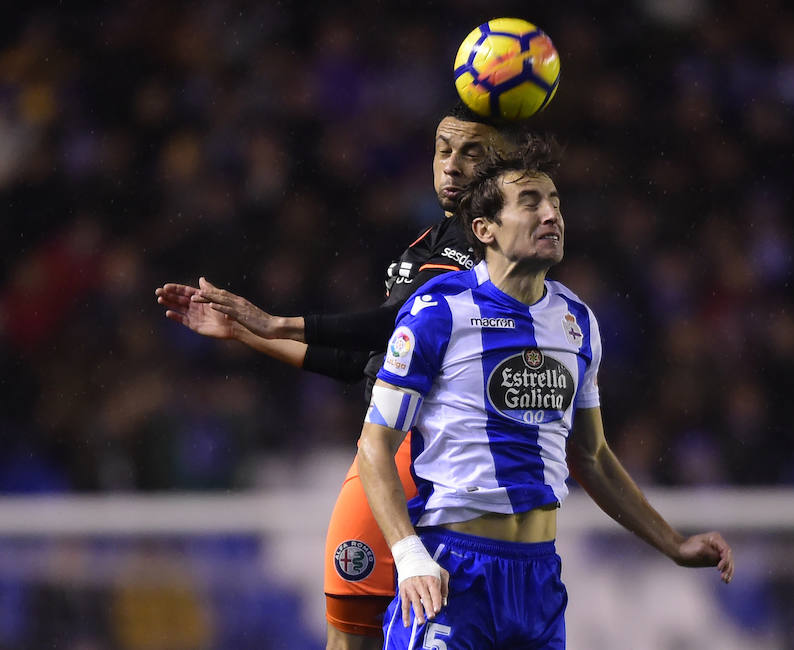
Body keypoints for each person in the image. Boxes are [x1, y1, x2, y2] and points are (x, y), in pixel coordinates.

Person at [155, 104, 516, 649]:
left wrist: (279, 321)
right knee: (350, 636)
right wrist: (249, 335)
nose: (452, 165)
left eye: (472, 152)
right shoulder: (422, 248)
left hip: (441, 459)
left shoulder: (488, 251)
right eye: (444, 150)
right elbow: (371, 357)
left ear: (501, 167)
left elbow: (392, 324)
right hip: (390, 458)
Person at [357, 134, 735, 649]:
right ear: (483, 229)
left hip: (538, 582)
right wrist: (408, 555)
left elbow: (592, 455)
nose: (551, 214)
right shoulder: (437, 311)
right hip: (453, 570)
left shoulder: (576, 320)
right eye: (530, 202)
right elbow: (374, 446)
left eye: (555, 201)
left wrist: (673, 543)